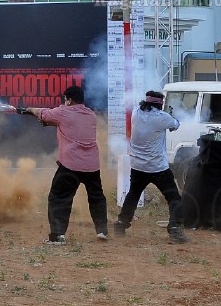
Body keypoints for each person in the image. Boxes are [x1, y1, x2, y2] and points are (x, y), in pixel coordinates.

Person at [23, 86, 108, 244]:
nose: (64, 101)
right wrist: (50, 124)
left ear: (69, 99)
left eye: (65, 99)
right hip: (91, 165)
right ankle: (102, 230)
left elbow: (43, 113)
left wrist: (29, 109)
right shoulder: (90, 115)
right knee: (97, 198)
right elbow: (72, 125)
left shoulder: (63, 112)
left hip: (71, 165)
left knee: (58, 198)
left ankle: (57, 236)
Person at [113, 90, 189, 244]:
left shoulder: (136, 112)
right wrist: (172, 116)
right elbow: (176, 125)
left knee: (133, 195)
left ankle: (121, 224)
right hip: (158, 168)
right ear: (160, 104)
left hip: (138, 166)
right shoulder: (162, 117)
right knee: (173, 198)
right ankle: (175, 229)